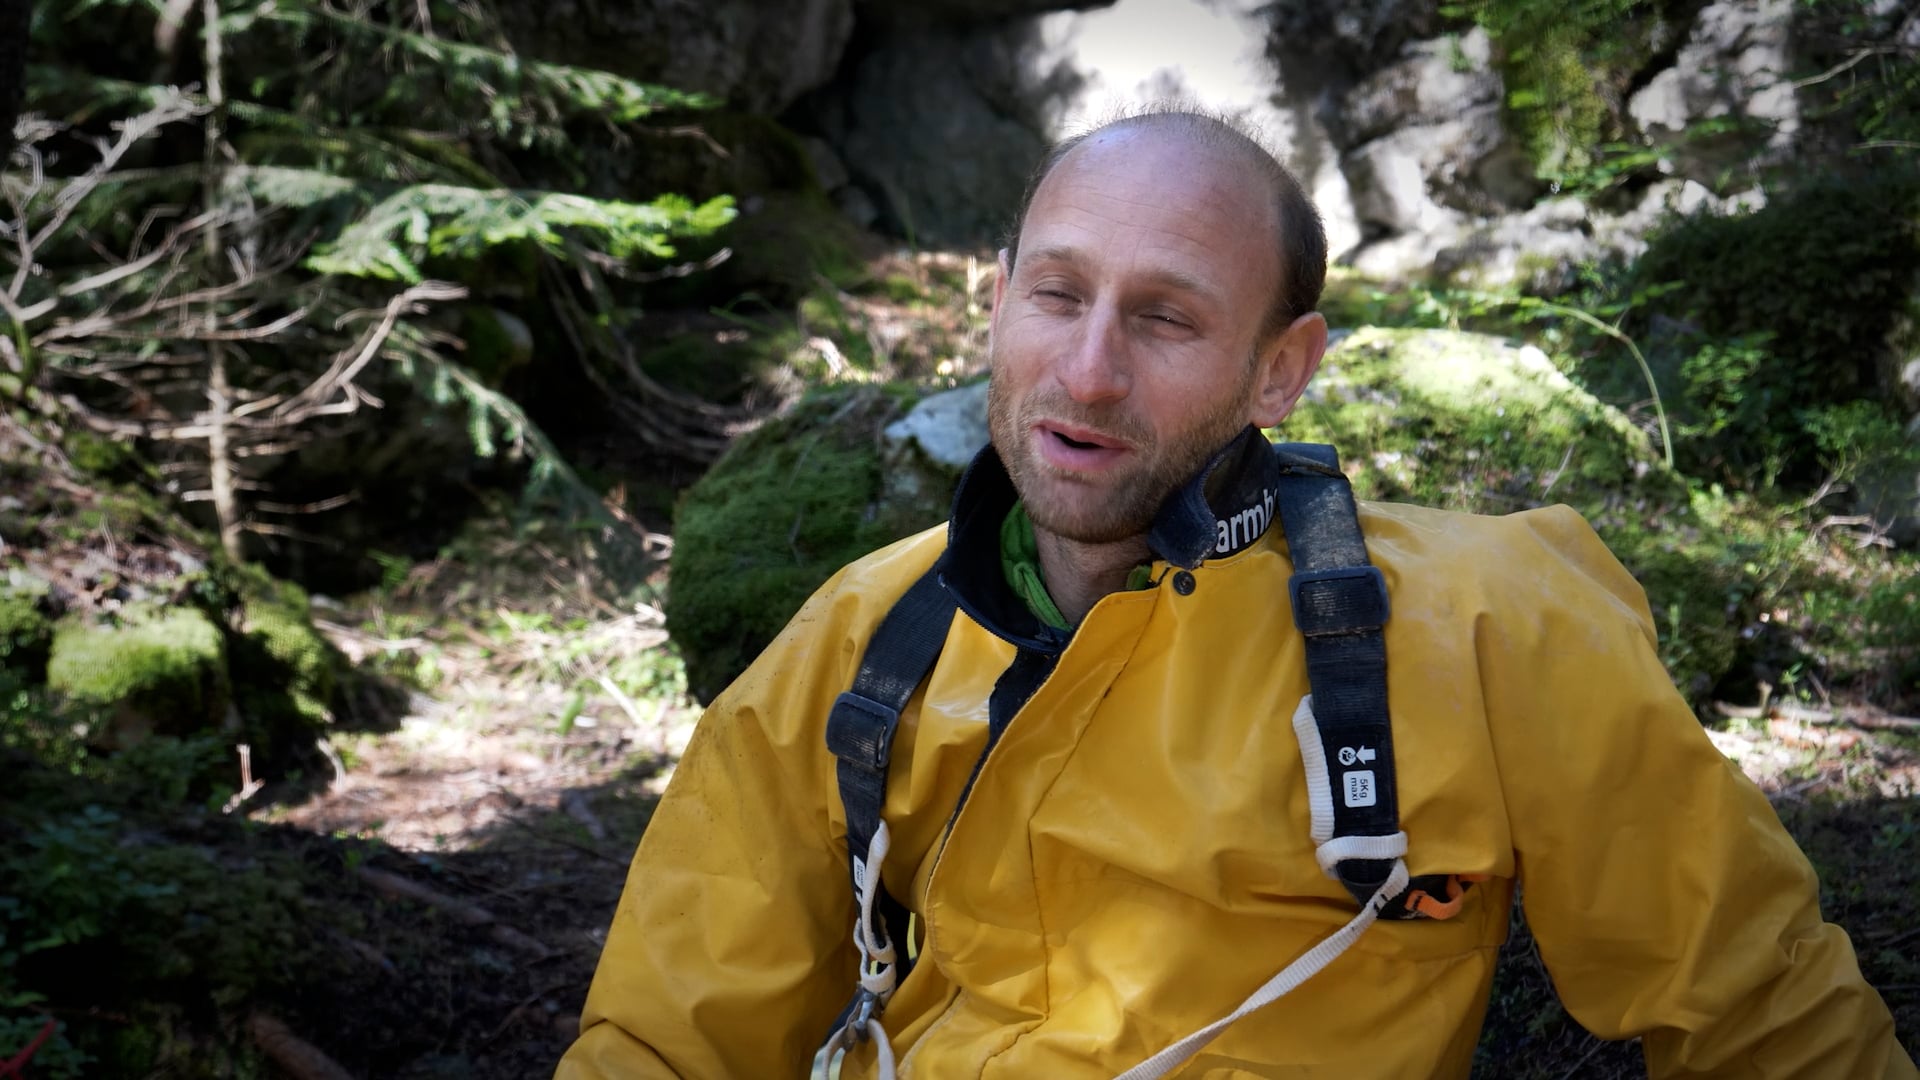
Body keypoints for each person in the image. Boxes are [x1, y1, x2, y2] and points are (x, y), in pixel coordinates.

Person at [557, 109, 1916, 1079]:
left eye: (1164, 319)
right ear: (997, 305)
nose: (1086, 373)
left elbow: (1759, 1015)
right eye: (1056, 296)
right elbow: (670, 1032)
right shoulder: (872, 631)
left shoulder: (1484, 627)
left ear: (1282, 370)